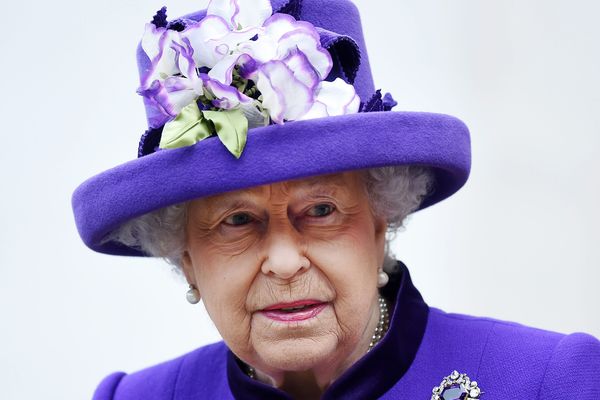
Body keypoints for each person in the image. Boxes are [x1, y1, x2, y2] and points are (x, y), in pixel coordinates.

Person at [72, 0, 600, 398]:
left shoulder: (548, 381)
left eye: (320, 210)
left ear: (380, 221)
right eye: (236, 220)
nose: (282, 262)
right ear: (187, 258)